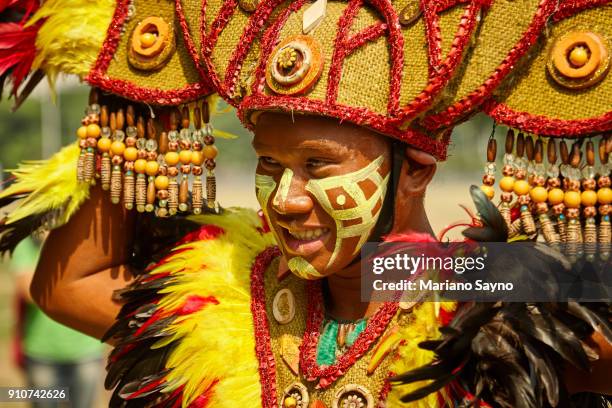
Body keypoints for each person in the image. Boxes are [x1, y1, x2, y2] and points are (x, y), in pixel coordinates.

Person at [0, 0, 610, 407]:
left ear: (416, 172)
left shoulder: (480, 313)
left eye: (317, 165)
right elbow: (67, 285)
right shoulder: (228, 296)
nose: (285, 200)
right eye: (270, 165)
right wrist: (139, 94)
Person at [10, 236, 105, 408]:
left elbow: (98, 287)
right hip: (41, 354)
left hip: (86, 352)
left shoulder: (87, 237)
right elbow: (29, 291)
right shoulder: (25, 241)